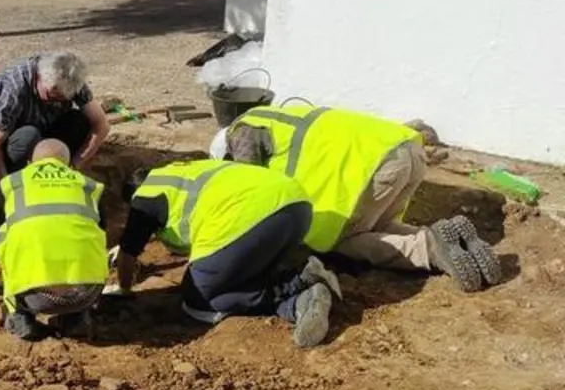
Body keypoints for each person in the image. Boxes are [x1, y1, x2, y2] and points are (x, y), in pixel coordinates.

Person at [212, 105, 501, 292]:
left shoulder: (242, 130)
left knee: (342, 240)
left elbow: (246, 188)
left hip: (374, 168)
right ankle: (449, 240)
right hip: (406, 148)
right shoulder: (275, 116)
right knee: (376, 226)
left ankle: (428, 249)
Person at [110, 159, 343, 348]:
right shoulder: (182, 172)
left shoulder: (144, 197)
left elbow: (129, 251)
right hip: (296, 204)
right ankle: (303, 298)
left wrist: (125, 288)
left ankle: (295, 285)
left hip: (250, 218)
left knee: (200, 300)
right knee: (238, 274)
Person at [0, 139, 108, 341]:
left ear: (29, 163)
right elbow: (101, 233)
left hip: (38, 297)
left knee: (9, 235)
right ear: (68, 166)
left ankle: (19, 317)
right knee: (86, 238)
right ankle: (76, 318)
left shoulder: (12, 184)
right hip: (88, 292)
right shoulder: (89, 186)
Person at [0, 51, 112, 183]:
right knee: (29, 135)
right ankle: (19, 175)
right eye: (52, 97)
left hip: (44, 124)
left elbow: (101, 125)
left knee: (79, 121)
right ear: (40, 79)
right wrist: (3, 186)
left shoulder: (70, 78)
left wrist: (75, 164)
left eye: (62, 99)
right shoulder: (14, 88)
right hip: (12, 139)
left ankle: (61, 168)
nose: (56, 101)